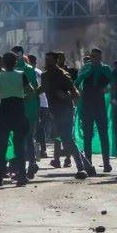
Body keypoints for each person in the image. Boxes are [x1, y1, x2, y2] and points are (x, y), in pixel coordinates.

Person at [43, 51, 89, 179]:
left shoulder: (62, 74)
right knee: (65, 139)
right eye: (46, 60)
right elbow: (42, 89)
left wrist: (66, 96)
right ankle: (88, 166)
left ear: (56, 61)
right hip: (54, 111)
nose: (47, 62)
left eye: (50, 60)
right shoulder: (45, 75)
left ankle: (82, 168)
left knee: (67, 139)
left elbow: (74, 92)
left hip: (66, 110)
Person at [0, 52, 31, 187]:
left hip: (4, 111)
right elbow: (30, 91)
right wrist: (22, 98)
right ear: (15, 62)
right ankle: (22, 177)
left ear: (3, 63)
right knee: (19, 146)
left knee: (1, 146)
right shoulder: (21, 75)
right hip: (18, 110)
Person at [76, 47, 115, 173]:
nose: (93, 59)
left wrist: (107, 89)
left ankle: (106, 163)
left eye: (95, 56)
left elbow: (114, 83)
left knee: (103, 135)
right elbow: (76, 83)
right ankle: (88, 164)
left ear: (100, 57)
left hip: (100, 105)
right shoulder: (86, 68)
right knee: (87, 136)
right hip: (87, 105)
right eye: (91, 56)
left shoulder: (105, 69)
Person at [12, 46, 41, 179]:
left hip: (22, 109)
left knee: (21, 139)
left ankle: (22, 167)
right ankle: (30, 164)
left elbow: (32, 90)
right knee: (27, 139)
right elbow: (35, 89)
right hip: (29, 109)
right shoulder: (28, 69)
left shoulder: (13, 70)